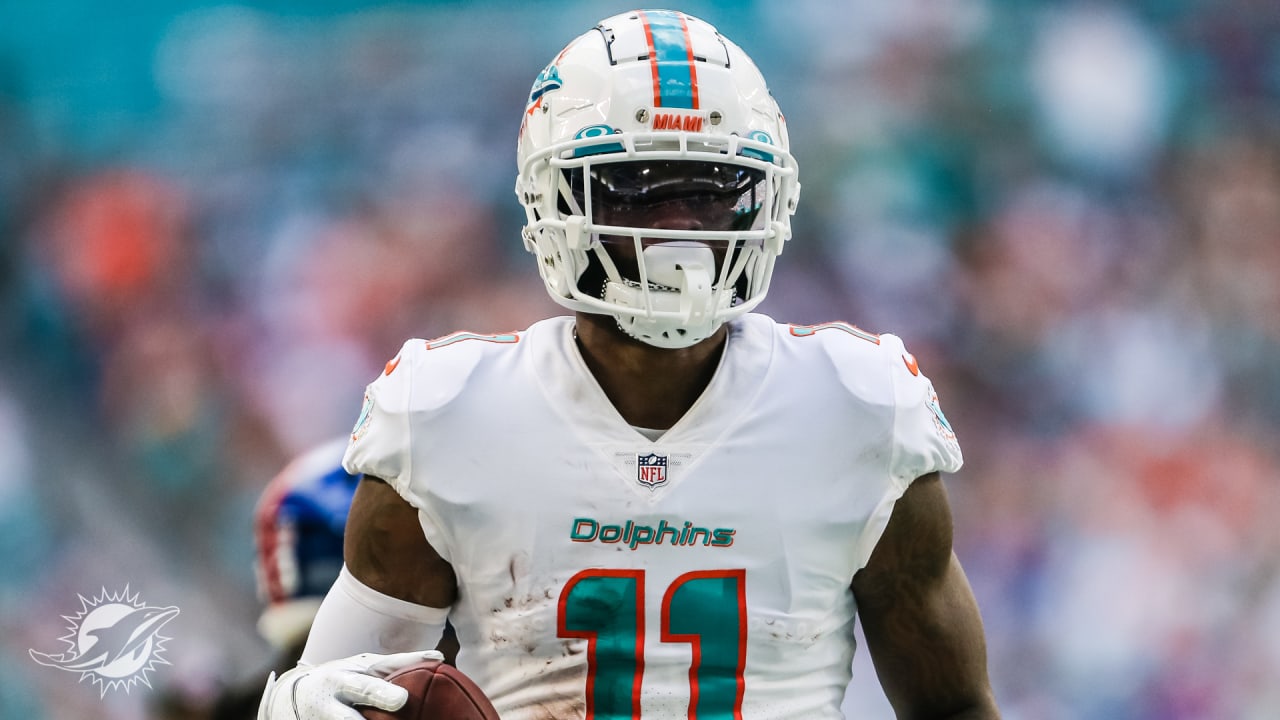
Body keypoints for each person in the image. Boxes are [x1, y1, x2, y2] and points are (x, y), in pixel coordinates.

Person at [258, 9, 1000, 719]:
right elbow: (336, 692)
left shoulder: (858, 409)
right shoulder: (444, 418)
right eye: (637, 189)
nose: (678, 229)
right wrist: (293, 703)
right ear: (554, 198)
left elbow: (954, 706)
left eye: (711, 192)